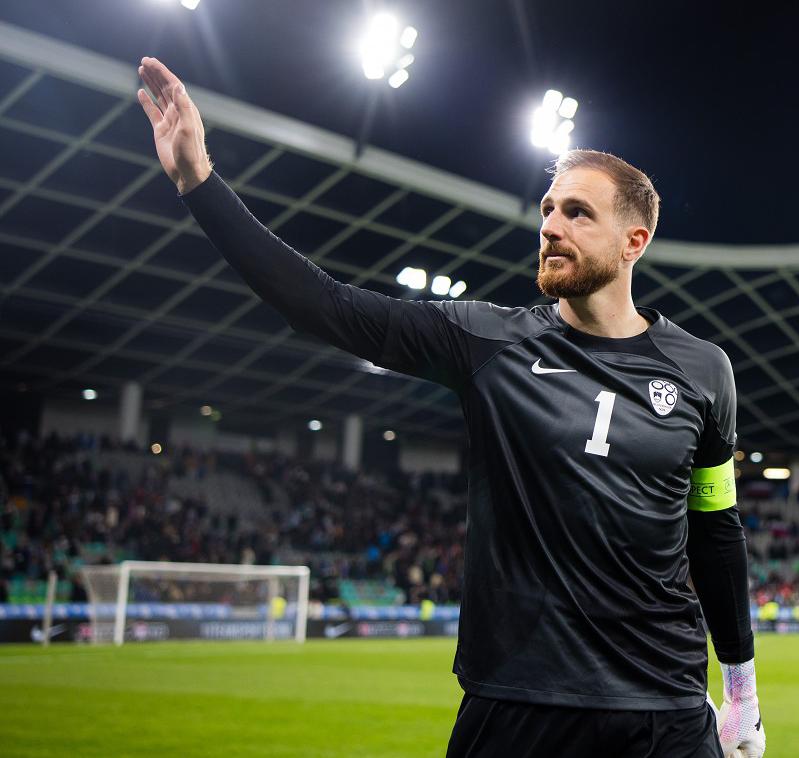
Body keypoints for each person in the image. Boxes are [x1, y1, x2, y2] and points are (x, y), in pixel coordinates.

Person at [136, 57, 765, 758]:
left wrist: (740, 691)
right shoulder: (486, 340)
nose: (551, 225)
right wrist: (199, 182)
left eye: (577, 212)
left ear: (633, 242)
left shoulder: (705, 372)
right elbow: (327, 306)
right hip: (517, 705)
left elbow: (715, 527)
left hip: (666, 710)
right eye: (547, 209)